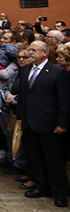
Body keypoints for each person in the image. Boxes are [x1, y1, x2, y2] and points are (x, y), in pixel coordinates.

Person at [18, 41, 69, 208]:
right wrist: (20, 117)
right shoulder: (25, 69)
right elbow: (24, 96)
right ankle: (42, 186)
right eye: (30, 50)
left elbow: (64, 100)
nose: (30, 53)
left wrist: (62, 123)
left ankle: (60, 193)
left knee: (53, 160)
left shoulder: (57, 72)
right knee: (36, 158)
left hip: (49, 123)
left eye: (34, 50)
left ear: (45, 53)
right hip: (29, 123)